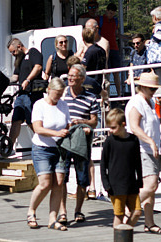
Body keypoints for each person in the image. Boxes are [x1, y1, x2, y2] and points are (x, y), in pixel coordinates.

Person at [125, 71, 161, 235]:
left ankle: (149, 222)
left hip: (151, 149)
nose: (154, 91)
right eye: (151, 88)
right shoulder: (136, 102)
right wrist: (150, 141)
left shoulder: (149, 102)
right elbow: (134, 126)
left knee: (151, 188)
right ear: (141, 87)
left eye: (155, 88)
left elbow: (157, 121)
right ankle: (128, 210)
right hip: (141, 148)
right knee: (151, 185)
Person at [26, 78, 71, 231]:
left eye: (61, 94)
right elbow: (37, 128)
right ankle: (31, 211)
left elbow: (68, 124)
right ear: (49, 89)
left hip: (60, 148)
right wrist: (56, 133)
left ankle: (53, 219)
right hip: (42, 148)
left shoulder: (64, 105)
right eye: (57, 93)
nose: (59, 97)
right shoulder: (40, 105)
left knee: (59, 183)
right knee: (45, 183)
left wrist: (75, 128)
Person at [58, 64, 99, 224]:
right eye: (69, 75)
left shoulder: (91, 98)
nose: (70, 78)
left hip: (81, 141)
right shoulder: (61, 96)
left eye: (73, 76)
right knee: (62, 177)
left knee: (82, 178)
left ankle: (78, 210)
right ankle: (63, 211)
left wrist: (84, 123)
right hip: (65, 140)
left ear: (81, 79)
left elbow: (94, 121)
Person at [100, 108, 143, 230]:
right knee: (119, 214)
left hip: (131, 183)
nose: (111, 130)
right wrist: (106, 183)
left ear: (123, 124)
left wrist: (139, 179)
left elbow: (137, 161)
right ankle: (120, 236)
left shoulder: (133, 140)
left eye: (113, 127)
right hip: (115, 185)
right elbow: (103, 164)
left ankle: (124, 233)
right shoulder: (109, 141)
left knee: (137, 211)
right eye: (110, 127)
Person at [7, 38, 44, 156]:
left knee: (31, 121)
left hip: (32, 93)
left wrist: (28, 80)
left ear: (19, 46)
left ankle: (44, 143)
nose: (13, 55)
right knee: (16, 120)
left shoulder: (33, 52)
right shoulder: (19, 60)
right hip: (21, 94)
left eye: (13, 52)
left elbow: (38, 67)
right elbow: (15, 77)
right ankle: (9, 148)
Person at [99, 3, 123, 96]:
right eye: (109, 13)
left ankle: (119, 95)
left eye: (112, 14)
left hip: (114, 48)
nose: (111, 15)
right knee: (106, 72)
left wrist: (127, 38)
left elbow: (116, 34)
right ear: (106, 11)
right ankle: (107, 95)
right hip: (104, 49)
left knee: (116, 73)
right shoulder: (101, 20)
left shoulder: (115, 21)